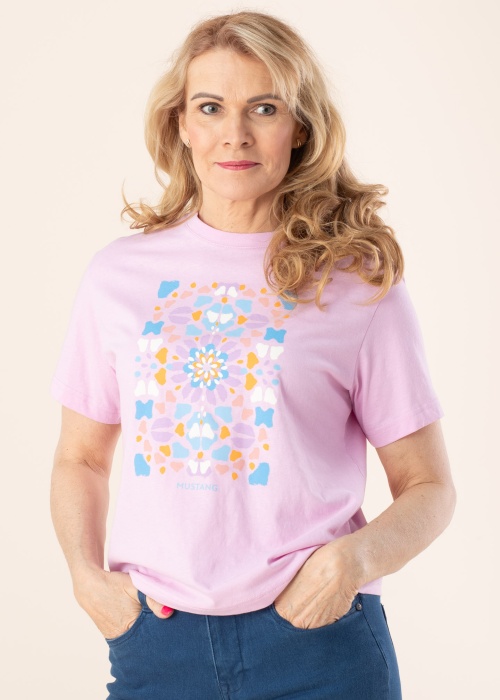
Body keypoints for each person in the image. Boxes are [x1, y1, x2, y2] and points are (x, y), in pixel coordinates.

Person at [50, 10, 456, 700]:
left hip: (318, 643)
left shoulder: (357, 284)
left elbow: (430, 487)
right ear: (181, 123)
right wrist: (87, 581)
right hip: (158, 643)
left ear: (299, 127)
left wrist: (351, 563)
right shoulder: (117, 277)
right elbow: (80, 458)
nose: (235, 134)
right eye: (211, 107)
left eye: (264, 108)